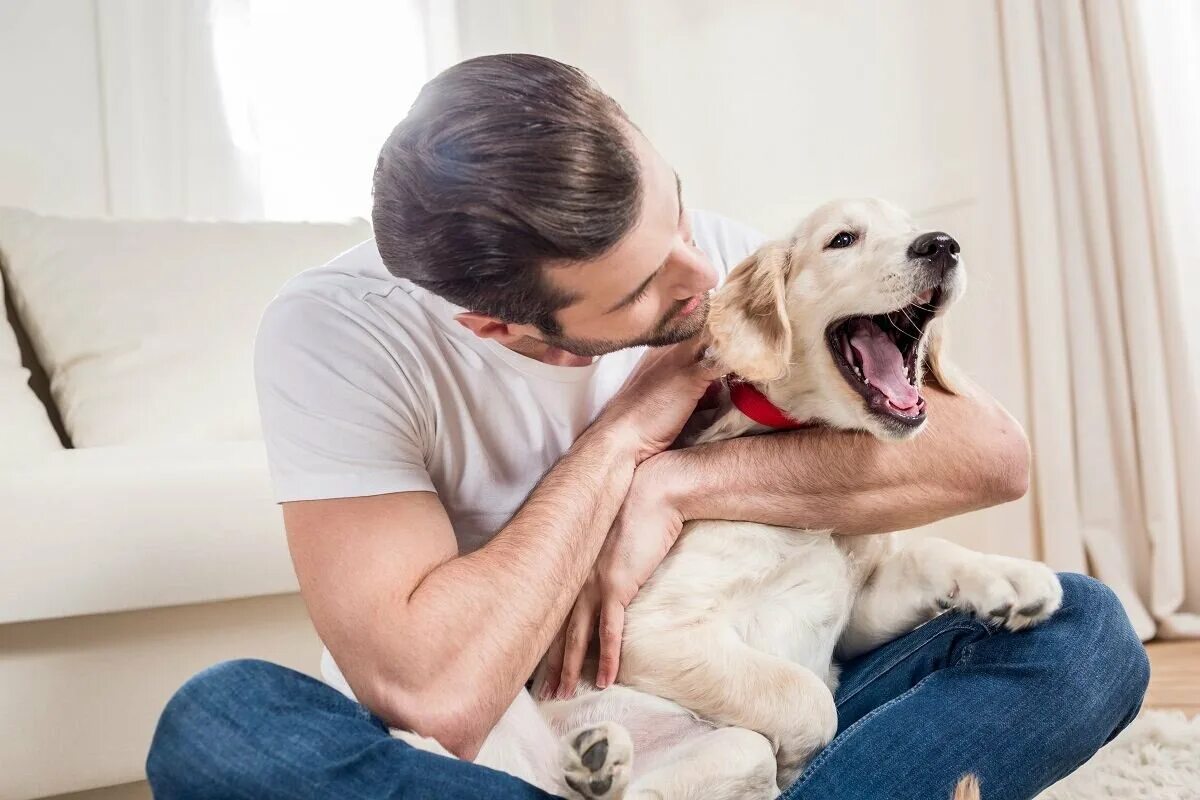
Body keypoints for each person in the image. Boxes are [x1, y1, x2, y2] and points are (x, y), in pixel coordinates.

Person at [145, 54, 1148, 800]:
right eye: (641, 287)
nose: (703, 276)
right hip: (513, 740)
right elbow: (436, 690)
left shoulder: (702, 259)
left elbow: (992, 454)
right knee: (222, 722)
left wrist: (679, 483)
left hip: (751, 705)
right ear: (505, 327)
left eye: (675, 209)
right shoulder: (335, 335)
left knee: (1086, 632)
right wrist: (624, 441)